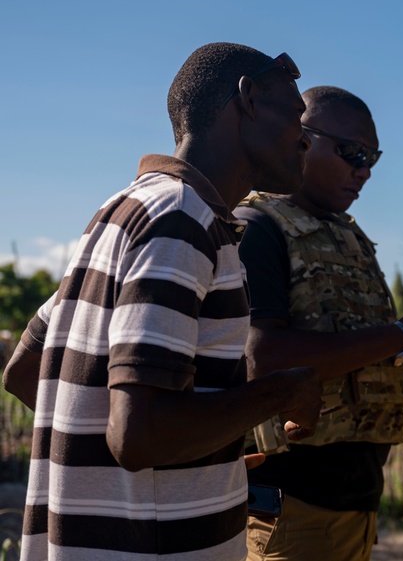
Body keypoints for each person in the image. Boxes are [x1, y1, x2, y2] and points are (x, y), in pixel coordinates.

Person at [1, 43, 325, 560]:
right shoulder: (182, 220)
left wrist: (193, 459)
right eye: (293, 115)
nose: (304, 138)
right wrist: (282, 391)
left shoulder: (120, 212)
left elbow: (25, 371)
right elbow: (139, 436)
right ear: (247, 100)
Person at [235, 85, 403, 561]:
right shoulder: (258, 227)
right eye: (353, 153)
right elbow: (263, 357)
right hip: (288, 509)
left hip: (356, 506)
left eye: (373, 157)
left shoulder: (349, 237)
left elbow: (363, 368)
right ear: (301, 139)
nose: (365, 171)